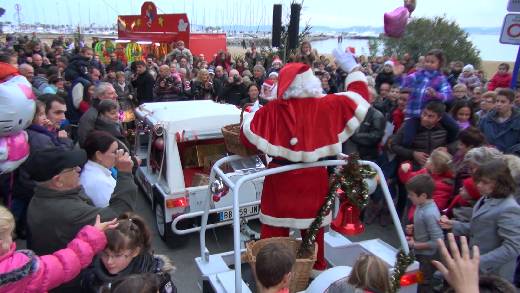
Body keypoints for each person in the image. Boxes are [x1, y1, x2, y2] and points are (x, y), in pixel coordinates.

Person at [240, 49, 370, 273]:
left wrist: (251, 113)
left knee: (273, 229)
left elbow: (247, 138)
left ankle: (269, 273)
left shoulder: (272, 111)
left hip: (280, 178)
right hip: (314, 178)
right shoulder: (328, 105)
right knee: (313, 229)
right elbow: (358, 99)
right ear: (311, 83)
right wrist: (354, 70)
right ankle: (315, 269)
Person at [0, 205, 118, 292]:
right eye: (10, 235)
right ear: (1, 244)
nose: (12, 238)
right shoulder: (18, 267)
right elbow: (62, 265)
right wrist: (93, 235)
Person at [439, 159, 520, 281]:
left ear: (500, 183)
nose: (478, 185)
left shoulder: (510, 208)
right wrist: (454, 225)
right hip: (477, 269)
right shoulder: (486, 198)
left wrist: (477, 262)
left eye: (485, 182)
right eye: (479, 181)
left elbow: (512, 248)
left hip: (493, 273)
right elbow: (480, 228)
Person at [80, 212, 176, 293]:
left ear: (135, 252)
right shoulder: (91, 274)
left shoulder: (157, 276)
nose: (109, 261)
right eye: (105, 254)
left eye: (117, 255)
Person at [400, 49, 457, 147]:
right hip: (415, 113)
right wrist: (399, 75)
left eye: (432, 62)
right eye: (427, 61)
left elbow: (448, 95)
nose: (428, 64)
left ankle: (445, 146)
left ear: (439, 64)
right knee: (407, 140)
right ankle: (408, 157)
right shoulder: (417, 75)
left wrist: (436, 95)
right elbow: (403, 84)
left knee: (454, 128)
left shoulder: (441, 79)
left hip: (432, 113)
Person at [404, 174, 443, 293]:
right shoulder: (421, 205)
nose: (409, 197)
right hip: (420, 253)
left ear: (423, 195)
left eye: (412, 195)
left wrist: (414, 245)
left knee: (422, 282)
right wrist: (414, 228)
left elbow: (437, 241)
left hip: (426, 257)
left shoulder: (430, 213)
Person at [390, 101, 457, 168]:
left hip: (437, 168)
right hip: (413, 168)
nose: (425, 118)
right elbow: (394, 145)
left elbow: (459, 142)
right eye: (424, 114)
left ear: (439, 118)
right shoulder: (408, 126)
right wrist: (413, 154)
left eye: (430, 116)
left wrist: (448, 149)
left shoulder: (446, 128)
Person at [399, 148, 454, 221]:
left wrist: (415, 216)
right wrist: (405, 170)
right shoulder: (425, 172)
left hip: (421, 217)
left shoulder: (444, 185)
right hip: (414, 210)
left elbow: (436, 206)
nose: (427, 160)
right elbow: (409, 180)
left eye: (430, 159)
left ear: (434, 167)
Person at [80, 131, 119, 208]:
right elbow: (114, 211)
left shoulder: (92, 170)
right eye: (114, 152)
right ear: (99, 155)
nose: (118, 155)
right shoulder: (99, 182)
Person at [479, 88, 520, 153]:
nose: (498, 104)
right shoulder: (485, 119)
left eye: (503, 102)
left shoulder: (518, 121)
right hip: (488, 157)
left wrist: (511, 153)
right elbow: (479, 137)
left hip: (509, 159)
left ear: (511, 103)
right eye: (497, 101)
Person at [77, 82, 118, 147]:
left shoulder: (114, 108)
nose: (116, 95)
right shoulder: (90, 116)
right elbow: (84, 141)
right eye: (111, 93)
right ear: (100, 96)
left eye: (115, 92)